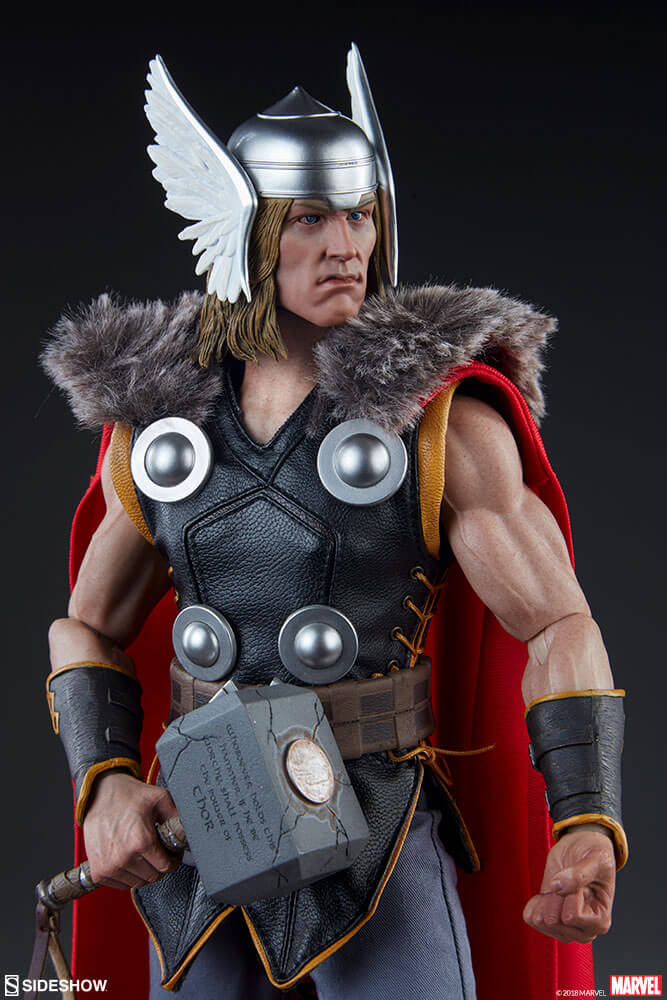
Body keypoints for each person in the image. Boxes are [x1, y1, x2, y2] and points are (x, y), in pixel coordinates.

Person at [41, 47, 626, 1000]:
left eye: (359, 214)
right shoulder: (160, 432)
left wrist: (585, 819)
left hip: (375, 826)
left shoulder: (440, 425)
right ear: (245, 231)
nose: (345, 244)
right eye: (309, 218)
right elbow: (87, 627)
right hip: (204, 823)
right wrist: (105, 781)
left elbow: (558, 623)